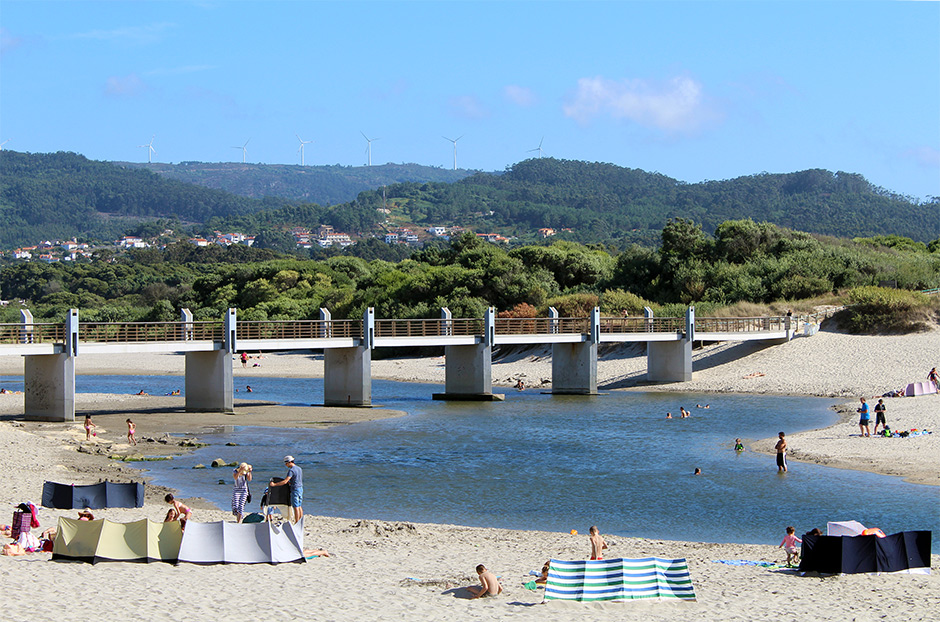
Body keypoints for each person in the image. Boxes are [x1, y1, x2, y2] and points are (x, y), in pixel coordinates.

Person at [269, 455, 303, 523]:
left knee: (295, 506)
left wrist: (275, 484)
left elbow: (285, 481)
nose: (286, 465)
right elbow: (296, 479)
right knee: (299, 506)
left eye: (286, 463)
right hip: (300, 488)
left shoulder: (291, 470)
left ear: (289, 462)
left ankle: (297, 521)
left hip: (295, 489)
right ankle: (300, 521)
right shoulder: (299, 469)